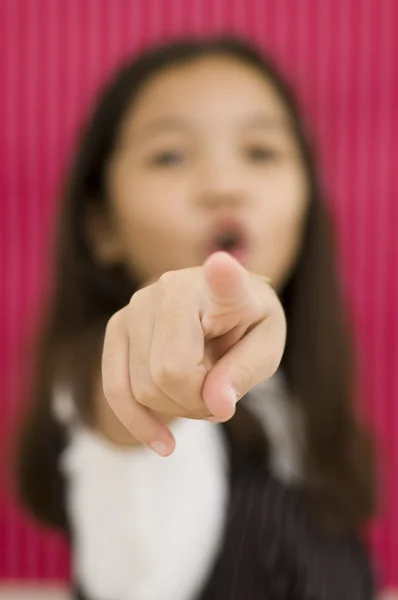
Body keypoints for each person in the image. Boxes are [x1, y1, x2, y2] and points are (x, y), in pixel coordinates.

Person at [16, 36, 378, 599]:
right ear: (101, 225)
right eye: (171, 156)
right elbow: (130, 398)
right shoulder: (104, 383)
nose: (223, 186)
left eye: (261, 152)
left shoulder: (294, 413)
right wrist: (163, 360)